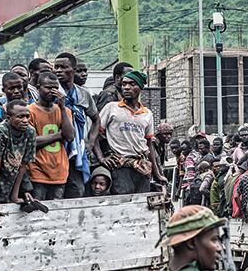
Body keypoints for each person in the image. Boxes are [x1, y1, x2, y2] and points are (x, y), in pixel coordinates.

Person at [97, 70, 165, 194]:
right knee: (124, 200)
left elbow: (149, 145)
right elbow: (94, 135)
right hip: (120, 165)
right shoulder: (112, 108)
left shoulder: (147, 113)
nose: (127, 87)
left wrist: (157, 174)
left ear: (140, 88)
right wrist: (102, 158)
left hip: (141, 166)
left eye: (132, 84)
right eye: (124, 84)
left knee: (143, 202)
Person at [55, 52, 100, 198]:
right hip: (56, 149)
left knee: (78, 190)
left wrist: (90, 143)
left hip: (78, 151)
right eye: (56, 67)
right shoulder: (51, 92)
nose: (59, 71)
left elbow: (96, 119)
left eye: (63, 67)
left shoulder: (83, 94)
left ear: (73, 70)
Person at [27, 70, 76, 201]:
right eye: (48, 87)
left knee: (56, 212)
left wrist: (62, 107)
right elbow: (31, 142)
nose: (52, 91)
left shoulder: (65, 111)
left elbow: (70, 137)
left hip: (59, 172)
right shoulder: (29, 111)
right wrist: (59, 135)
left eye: (55, 87)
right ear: (38, 88)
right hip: (37, 171)